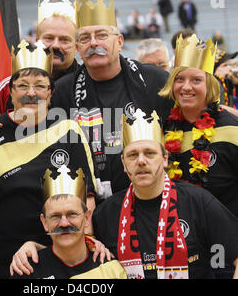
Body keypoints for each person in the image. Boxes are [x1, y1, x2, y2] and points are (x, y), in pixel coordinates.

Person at [0, 40, 97, 278]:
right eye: (23, 86)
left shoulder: (68, 130)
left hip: (54, 252)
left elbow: (86, 197)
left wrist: (89, 243)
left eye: (40, 86)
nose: (31, 93)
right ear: (11, 92)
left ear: (50, 93)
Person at [51, 0, 173, 199]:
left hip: (153, 198)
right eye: (85, 38)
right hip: (91, 203)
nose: (93, 43)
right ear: (78, 48)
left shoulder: (154, 79)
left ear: (120, 41)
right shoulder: (62, 91)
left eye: (101, 35)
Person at [93, 108, 238, 279]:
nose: (141, 161)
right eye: (133, 155)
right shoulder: (106, 214)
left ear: (165, 159)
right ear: (124, 164)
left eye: (150, 153)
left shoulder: (197, 201)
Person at [159, 34, 238, 221]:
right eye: (179, 79)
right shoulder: (165, 129)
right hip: (183, 236)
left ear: (209, 86)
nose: (186, 87)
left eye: (196, 80)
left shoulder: (231, 128)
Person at [12, 166, 126, 279]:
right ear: (44, 222)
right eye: (55, 216)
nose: (64, 223)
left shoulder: (111, 269)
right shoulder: (26, 271)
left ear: (86, 218)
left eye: (72, 214)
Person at [0, 0, 79, 115]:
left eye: (64, 40)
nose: (55, 45)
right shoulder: (9, 86)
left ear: (76, 46)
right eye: (49, 38)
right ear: (37, 41)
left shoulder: (86, 84)